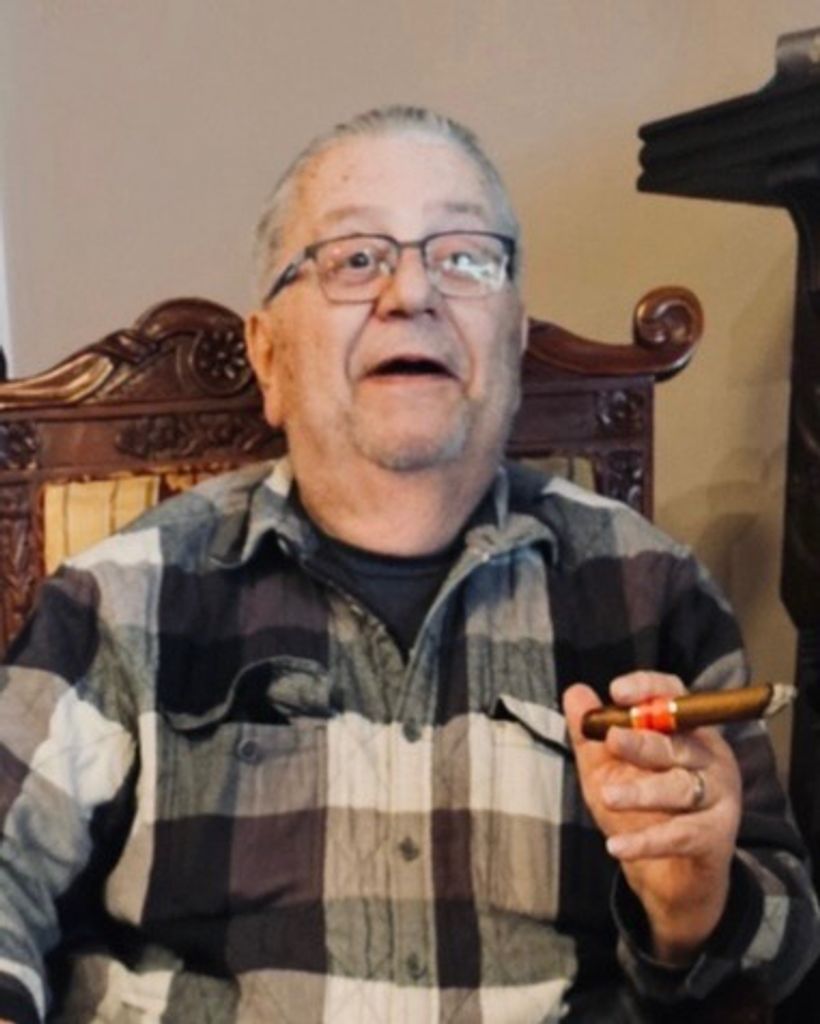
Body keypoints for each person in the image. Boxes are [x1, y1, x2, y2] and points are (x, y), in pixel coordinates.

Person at [0, 105, 818, 1024]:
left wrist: (695, 902)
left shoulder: (649, 590)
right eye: (355, 258)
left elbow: (784, 945)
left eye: (464, 257)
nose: (412, 292)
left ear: (512, 339)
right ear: (268, 357)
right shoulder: (120, 601)